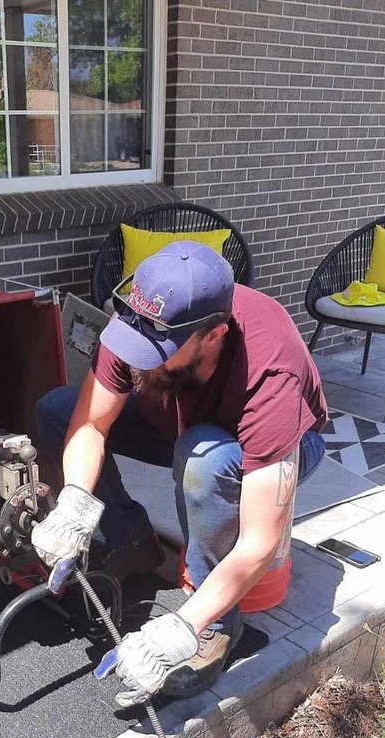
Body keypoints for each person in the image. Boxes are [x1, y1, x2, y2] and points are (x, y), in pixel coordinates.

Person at [31, 241, 328, 707]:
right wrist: (74, 503)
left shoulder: (271, 372)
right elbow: (90, 424)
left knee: (203, 460)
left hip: (277, 447)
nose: (135, 359)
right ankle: (130, 540)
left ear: (213, 335)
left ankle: (216, 623)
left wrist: (181, 627)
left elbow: (260, 543)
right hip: (177, 419)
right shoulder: (139, 323)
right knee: (56, 411)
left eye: (156, 351)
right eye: (134, 343)